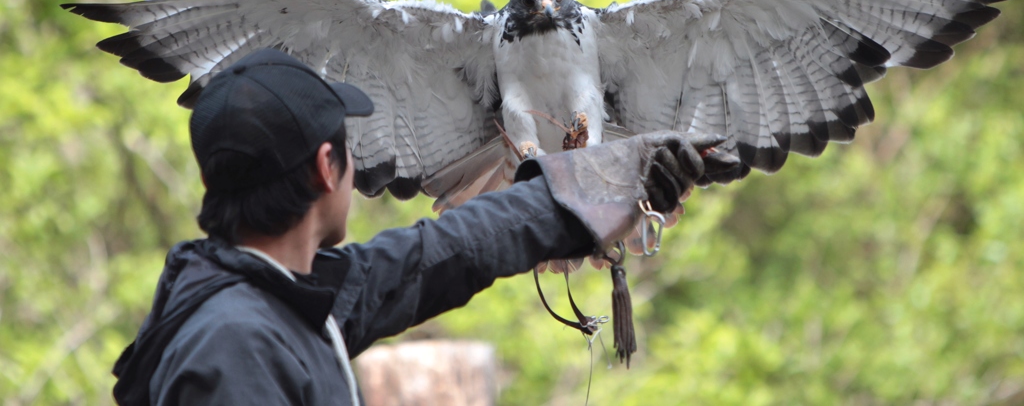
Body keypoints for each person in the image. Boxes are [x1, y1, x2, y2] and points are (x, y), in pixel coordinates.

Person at [111, 48, 734, 405]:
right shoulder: (234, 345)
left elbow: (447, 252)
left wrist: (592, 186)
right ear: (329, 167)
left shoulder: (281, 300)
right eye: (347, 147)